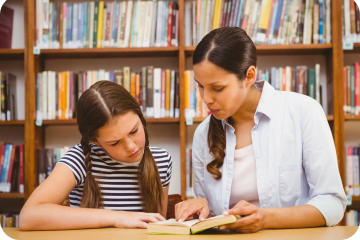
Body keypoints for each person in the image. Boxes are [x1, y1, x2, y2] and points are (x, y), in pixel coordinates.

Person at [175, 27, 346, 233]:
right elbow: (213, 219)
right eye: (200, 86)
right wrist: (200, 209)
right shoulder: (204, 134)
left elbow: (332, 204)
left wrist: (265, 219)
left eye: (217, 88)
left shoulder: (303, 113)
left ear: (249, 76)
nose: (206, 99)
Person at [20, 81, 172, 230]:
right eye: (115, 142)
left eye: (134, 131)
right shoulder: (79, 159)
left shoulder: (161, 160)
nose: (131, 146)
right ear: (95, 141)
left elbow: (158, 227)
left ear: (140, 117)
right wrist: (117, 217)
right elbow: (29, 216)